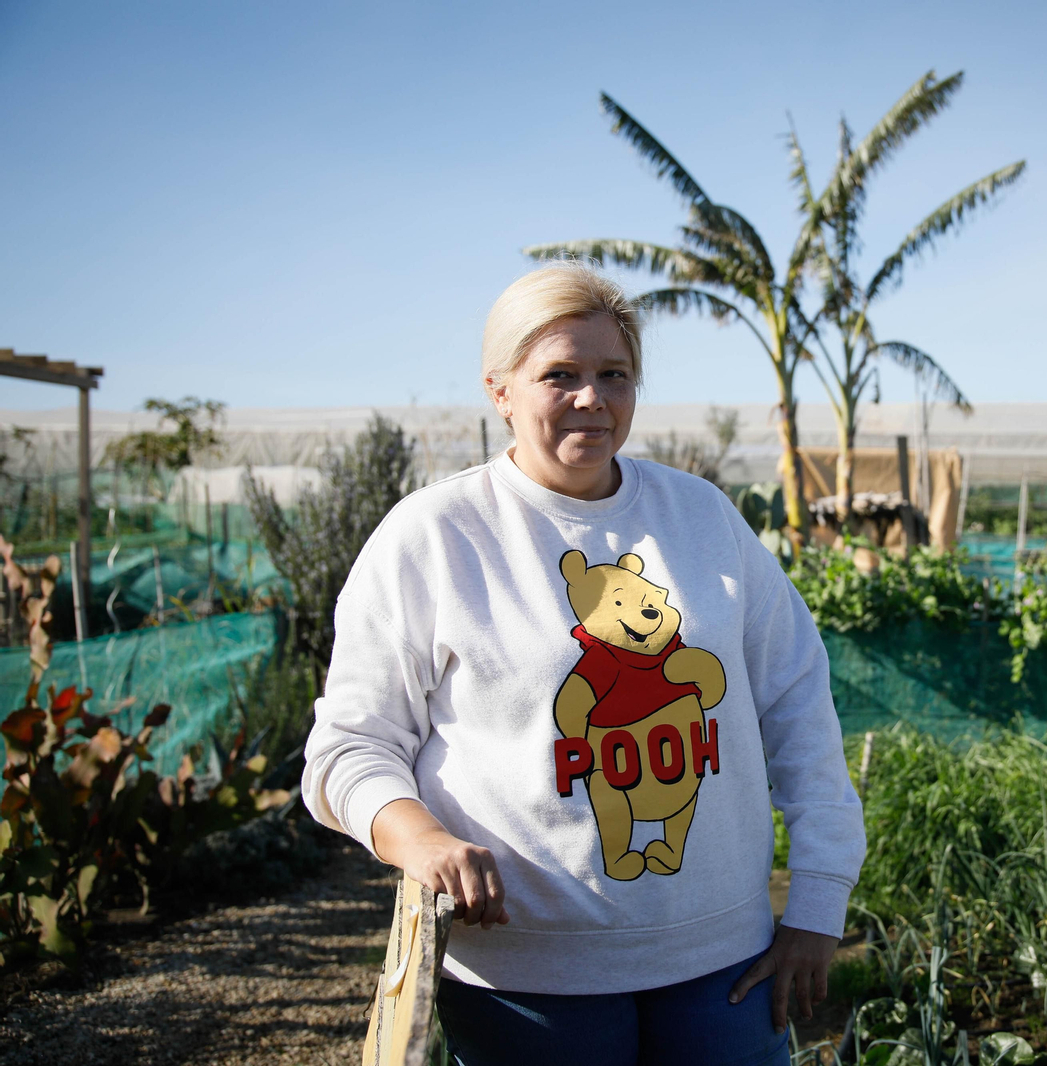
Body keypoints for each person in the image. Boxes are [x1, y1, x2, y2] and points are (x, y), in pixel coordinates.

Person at [301, 262, 866, 1065]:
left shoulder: (700, 517)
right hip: (527, 978)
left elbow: (799, 705)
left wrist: (817, 903)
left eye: (614, 375)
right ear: (500, 390)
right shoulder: (433, 535)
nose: (591, 399)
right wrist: (419, 838)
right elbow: (349, 747)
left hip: (723, 961)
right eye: (558, 375)